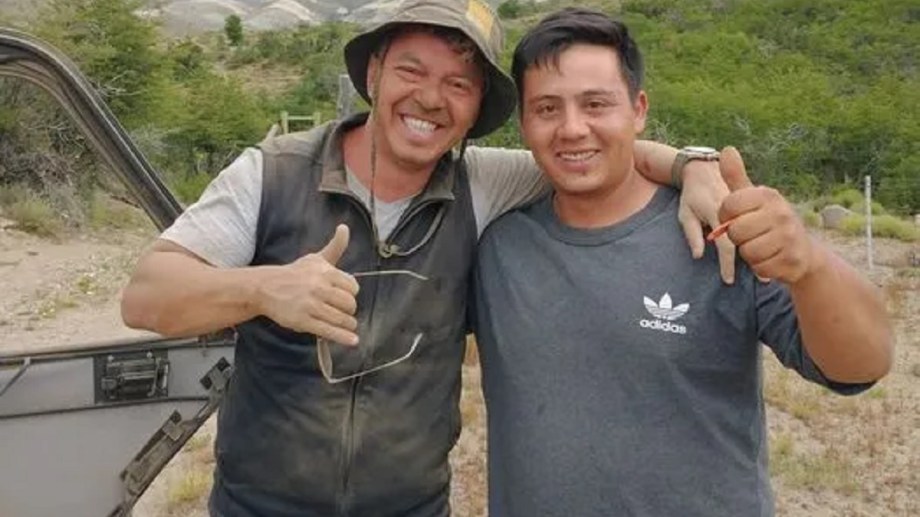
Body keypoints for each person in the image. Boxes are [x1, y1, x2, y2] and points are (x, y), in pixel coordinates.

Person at [121, 1, 735, 515]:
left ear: (476, 107)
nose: (431, 99)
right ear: (374, 75)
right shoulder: (273, 175)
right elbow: (146, 297)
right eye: (411, 71)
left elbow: (591, 149)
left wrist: (694, 165)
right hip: (259, 507)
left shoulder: (484, 184)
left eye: (459, 84)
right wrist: (261, 289)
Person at [472, 8, 893, 517]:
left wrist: (810, 267)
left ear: (638, 110)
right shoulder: (498, 247)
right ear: (523, 123)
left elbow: (860, 366)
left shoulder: (722, 226)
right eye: (546, 108)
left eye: (596, 104)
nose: (572, 128)